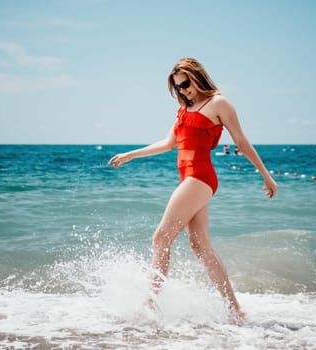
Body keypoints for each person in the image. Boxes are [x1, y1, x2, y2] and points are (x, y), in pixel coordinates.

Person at [109, 57, 278, 319]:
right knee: (200, 247)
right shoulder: (183, 110)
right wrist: (131, 154)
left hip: (200, 177)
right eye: (178, 87)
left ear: (197, 77)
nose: (183, 90)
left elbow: (242, 142)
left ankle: (151, 304)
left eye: (185, 84)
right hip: (188, 179)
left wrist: (266, 176)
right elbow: (167, 144)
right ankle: (236, 309)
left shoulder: (218, 103)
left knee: (160, 237)